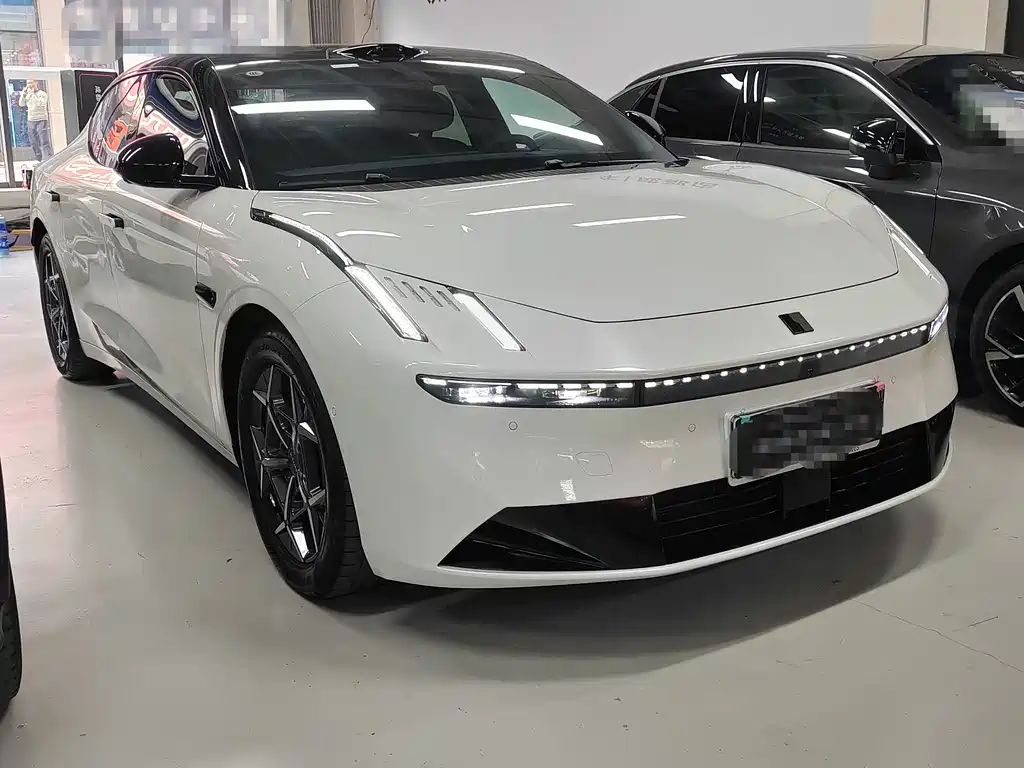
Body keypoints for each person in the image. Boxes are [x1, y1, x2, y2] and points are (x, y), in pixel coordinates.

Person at [19, 80, 51, 161]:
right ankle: (38, 158)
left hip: (41, 119)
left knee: (44, 140)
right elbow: (21, 104)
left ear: (36, 83)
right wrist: (23, 95)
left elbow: (40, 104)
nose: (29, 85)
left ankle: (47, 158)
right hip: (31, 120)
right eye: (28, 83)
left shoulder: (42, 94)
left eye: (31, 82)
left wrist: (33, 94)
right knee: (33, 141)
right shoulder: (28, 95)